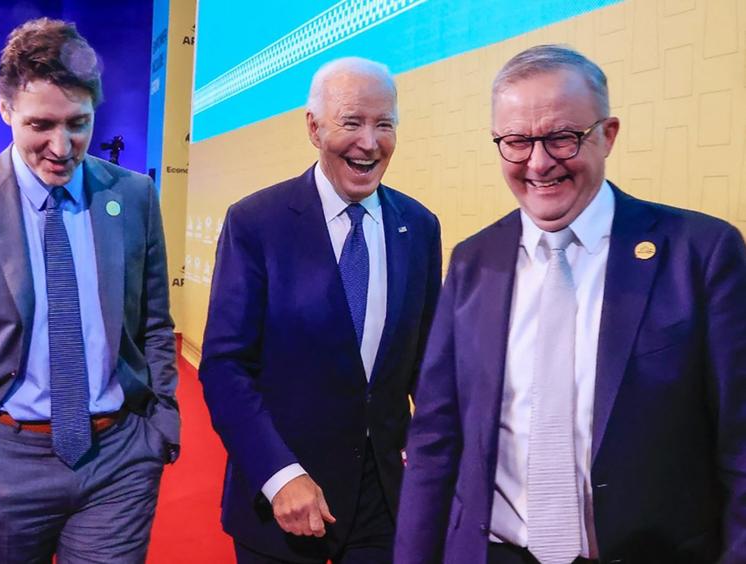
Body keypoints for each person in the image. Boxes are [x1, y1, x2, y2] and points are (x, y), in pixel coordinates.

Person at [395, 44, 746, 564]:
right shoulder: (473, 261)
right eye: (515, 141)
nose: (538, 163)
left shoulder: (701, 253)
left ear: (608, 135)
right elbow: (435, 441)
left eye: (562, 137)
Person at [0, 18, 179, 563]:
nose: (61, 146)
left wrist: (159, 422)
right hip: (0, 463)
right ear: (6, 111)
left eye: (79, 123)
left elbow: (155, 324)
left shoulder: (134, 196)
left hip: (118, 459)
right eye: (41, 124)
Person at [199, 57, 442, 564]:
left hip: (383, 504)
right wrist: (279, 475)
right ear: (314, 127)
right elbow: (225, 367)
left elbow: (429, 363)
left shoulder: (419, 227)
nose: (370, 142)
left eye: (384, 125)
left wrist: (436, 452)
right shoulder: (255, 223)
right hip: (281, 501)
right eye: (352, 122)